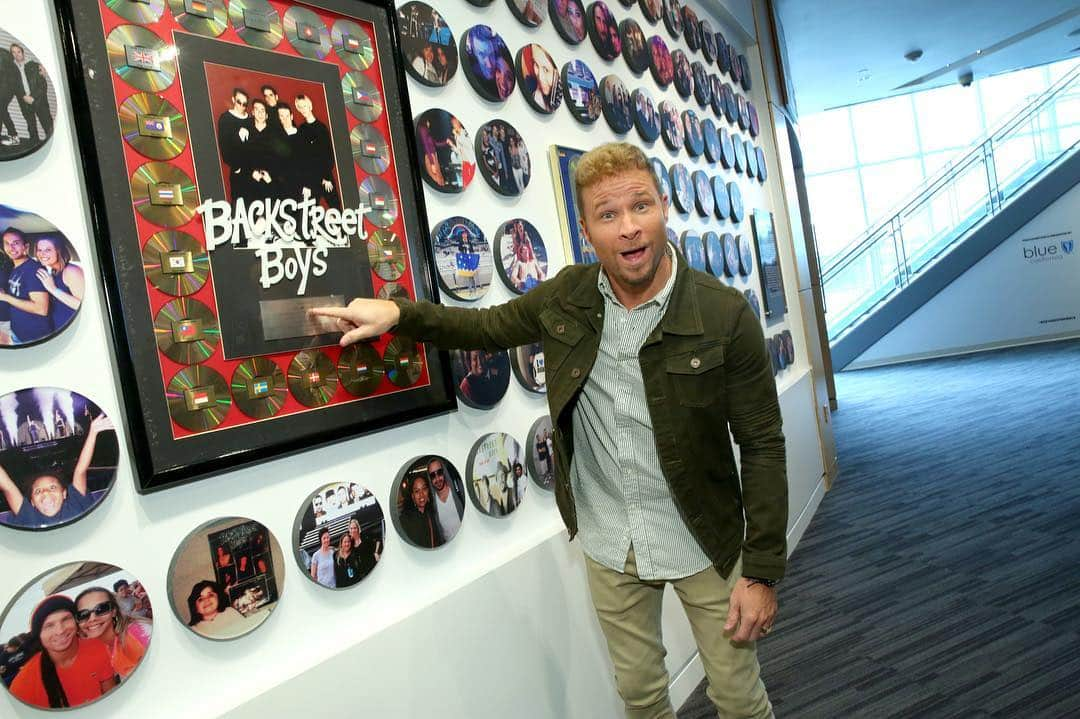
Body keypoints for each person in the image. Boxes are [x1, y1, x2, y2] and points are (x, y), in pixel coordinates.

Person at [311, 141, 786, 719]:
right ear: (587, 230)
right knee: (641, 697)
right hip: (612, 539)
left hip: (705, 537)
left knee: (738, 698)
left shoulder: (722, 313)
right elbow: (485, 326)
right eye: (608, 216)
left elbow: (763, 445)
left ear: (664, 207)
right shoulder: (568, 296)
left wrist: (761, 571)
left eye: (641, 206)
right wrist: (399, 315)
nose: (630, 228)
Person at [0, 414, 114, 528]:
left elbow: (80, 470)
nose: (45, 492)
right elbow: (8, 486)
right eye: (38, 491)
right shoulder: (29, 517)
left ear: (64, 494)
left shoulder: (76, 504)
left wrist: (93, 432)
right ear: (32, 502)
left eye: (52, 487)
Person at [9, 595, 117, 709]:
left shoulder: (97, 647)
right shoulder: (22, 685)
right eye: (49, 625)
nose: (60, 630)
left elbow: (112, 698)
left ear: (76, 621)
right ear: (39, 635)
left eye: (66, 619)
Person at [74, 586, 151, 680]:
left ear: (114, 611)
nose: (92, 618)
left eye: (101, 609)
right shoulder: (107, 645)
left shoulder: (137, 633)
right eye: (83, 615)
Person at [0, 227, 50, 344]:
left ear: (25, 247)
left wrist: (5, 297)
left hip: (35, 337)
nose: (11, 248)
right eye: (7, 243)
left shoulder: (33, 269)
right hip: (17, 333)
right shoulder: (15, 268)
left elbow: (41, 309)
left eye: (15, 243)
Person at [294, 94, 339, 209]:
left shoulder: (321, 128)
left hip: (325, 176)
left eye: (304, 106)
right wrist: (307, 183)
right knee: (308, 212)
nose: (302, 109)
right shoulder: (301, 129)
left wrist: (327, 178)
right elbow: (302, 159)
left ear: (310, 106)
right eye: (299, 107)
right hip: (311, 178)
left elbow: (328, 155)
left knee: (336, 209)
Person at [34, 236, 83, 333]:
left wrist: (53, 289)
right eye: (39, 250)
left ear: (58, 251)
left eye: (48, 250)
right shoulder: (53, 272)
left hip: (75, 331)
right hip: (59, 330)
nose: (42, 254)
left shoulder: (71, 271)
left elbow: (82, 305)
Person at [9, 44, 51, 145]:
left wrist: (33, 97)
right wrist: (23, 96)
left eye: (18, 52)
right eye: (13, 52)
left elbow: (43, 85)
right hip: (24, 102)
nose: (16, 55)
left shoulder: (34, 65)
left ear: (22, 52)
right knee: (31, 129)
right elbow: (14, 87)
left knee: (48, 126)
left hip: (39, 101)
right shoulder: (12, 70)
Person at [217, 88, 253, 202]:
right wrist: (237, 167)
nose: (242, 106)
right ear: (233, 100)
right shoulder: (226, 119)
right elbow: (225, 148)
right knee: (240, 206)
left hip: (254, 172)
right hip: (239, 173)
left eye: (245, 104)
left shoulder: (251, 120)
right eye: (239, 102)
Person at [398, 474, 443, 548]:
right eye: (417, 491)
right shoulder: (404, 520)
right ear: (412, 496)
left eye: (424, 489)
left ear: (428, 491)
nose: (421, 494)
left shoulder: (432, 514)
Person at [426, 457, 463, 542]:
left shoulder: (459, 490)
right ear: (430, 479)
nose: (437, 478)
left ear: (444, 472)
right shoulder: (432, 504)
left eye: (439, 472)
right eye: (432, 475)